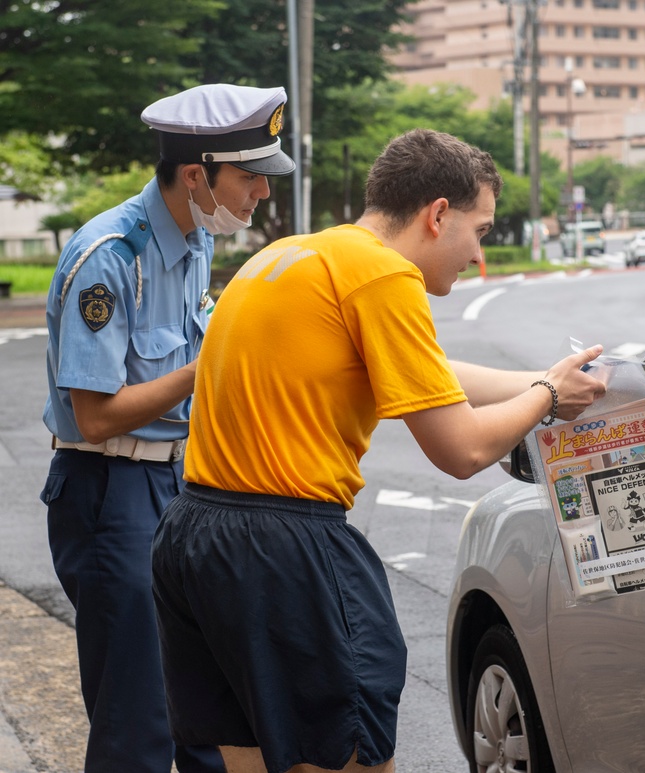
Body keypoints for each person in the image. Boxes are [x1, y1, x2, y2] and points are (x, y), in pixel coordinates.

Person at [150, 128, 607, 773]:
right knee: (352, 757)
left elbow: (428, 372)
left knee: (247, 757)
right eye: (480, 231)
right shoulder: (385, 275)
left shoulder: (296, 257)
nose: (478, 255)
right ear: (437, 214)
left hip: (195, 534)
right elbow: (462, 450)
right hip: (285, 546)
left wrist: (553, 379)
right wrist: (547, 396)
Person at [40, 83, 296, 772]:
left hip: (176, 480)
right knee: (139, 719)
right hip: (108, 487)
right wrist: (205, 368)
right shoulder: (109, 258)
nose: (260, 195)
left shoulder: (192, 241)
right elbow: (95, 413)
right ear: (196, 176)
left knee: (204, 706)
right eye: (249, 178)